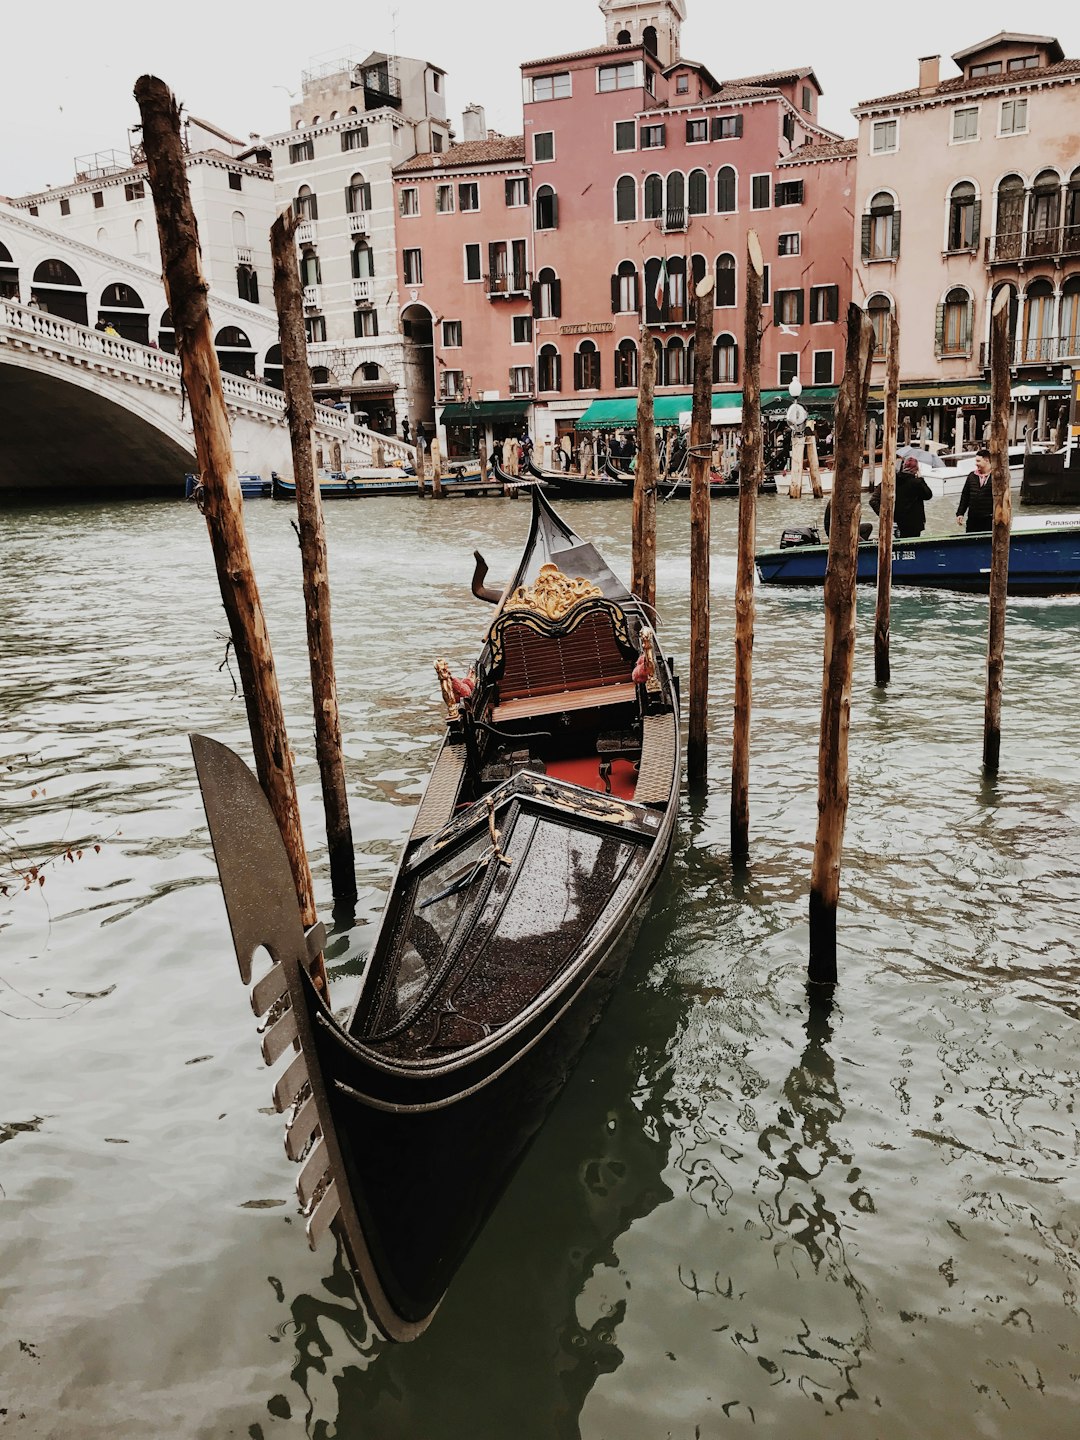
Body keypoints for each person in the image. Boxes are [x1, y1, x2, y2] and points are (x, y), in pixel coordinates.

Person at [870, 455, 933, 538]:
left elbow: (873, 501)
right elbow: (928, 495)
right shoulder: (917, 483)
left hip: (896, 521)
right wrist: (921, 479)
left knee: (897, 544)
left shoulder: (892, 481)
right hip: (913, 524)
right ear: (916, 469)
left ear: (903, 467)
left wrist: (884, 515)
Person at [956, 448, 994, 532]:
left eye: (978, 461)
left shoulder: (996, 477)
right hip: (973, 518)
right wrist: (960, 513)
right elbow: (965, 496)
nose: (976, 464)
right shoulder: (971, 476)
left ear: (987, 460)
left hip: (989, 518)